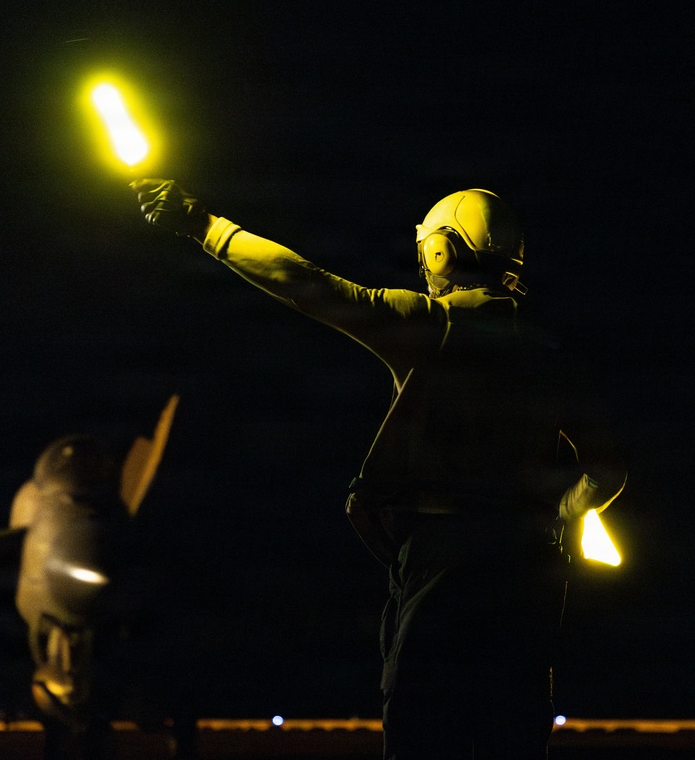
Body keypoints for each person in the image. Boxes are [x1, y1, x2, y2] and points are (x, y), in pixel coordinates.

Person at [130, 179, 626, 758]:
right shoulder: (550, 352)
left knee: (421, 723)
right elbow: (606, 473)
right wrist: (560, 513)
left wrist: (205, 226)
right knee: (510, 730)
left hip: (440, 561)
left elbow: (304, 284)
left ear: (442, 251)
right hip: (527, 572)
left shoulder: (425, 323)